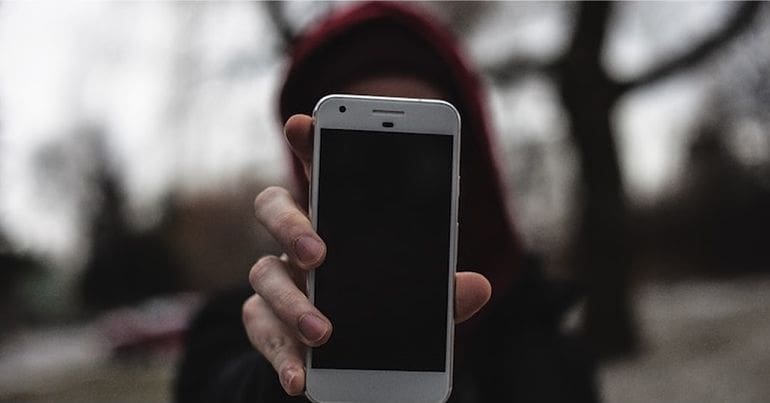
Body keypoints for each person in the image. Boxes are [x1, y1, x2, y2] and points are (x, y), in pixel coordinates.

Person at [176, 3, 597, 402]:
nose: (390, 184)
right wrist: (280, 382)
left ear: (467, 166)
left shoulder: (548, 344)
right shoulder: (235, 327)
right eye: (365, 158)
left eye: (415, 156)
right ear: (313, 166)